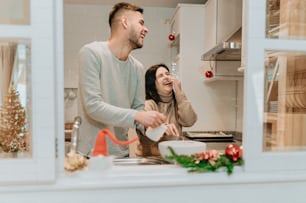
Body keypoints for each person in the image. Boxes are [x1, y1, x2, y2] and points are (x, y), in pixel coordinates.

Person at [77, 2, 166, 158]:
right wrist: (138, 116)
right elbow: (93, 106)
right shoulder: (91, 53)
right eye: (141, 23)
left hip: (122, 155)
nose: (146, 29)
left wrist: (157, 126)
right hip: (90, 155)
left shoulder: (137, 67)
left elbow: (138, 110)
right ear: (124, 22)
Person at [137, 63, 198, 156]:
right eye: (161, 76)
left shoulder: (178, 102)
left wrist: (179, 91)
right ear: (153, 83)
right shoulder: (149, 104)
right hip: (152, 157)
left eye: (167, 74)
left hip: (174, 155)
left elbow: (189, 121)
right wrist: (163, 127)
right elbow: (146, 127)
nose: (166, 77)